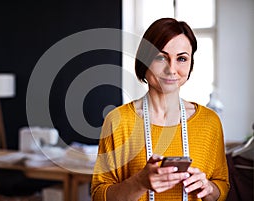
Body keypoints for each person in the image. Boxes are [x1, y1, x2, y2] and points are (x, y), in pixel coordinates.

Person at [91, 18, 229, 201]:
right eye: (161, 57)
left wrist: (208, 187)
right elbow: (99, 196)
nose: (171, 69)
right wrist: (140, 182)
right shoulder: (118, 121)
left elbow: (222, 187)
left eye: (181, 58)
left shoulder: (210, 122)